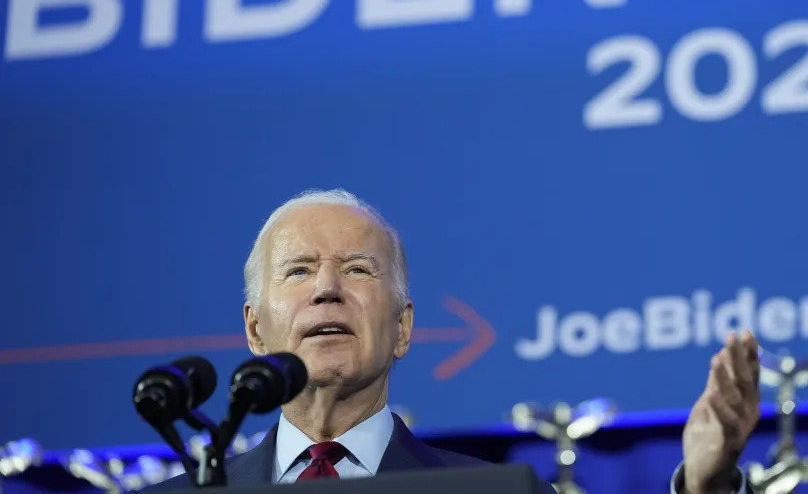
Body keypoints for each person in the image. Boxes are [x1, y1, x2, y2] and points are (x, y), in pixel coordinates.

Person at [152, 189, 760, 493]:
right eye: (299, 270)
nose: (328, 288)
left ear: (404, 329)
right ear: (255, 328)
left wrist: (705, 489)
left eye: (359, 269)